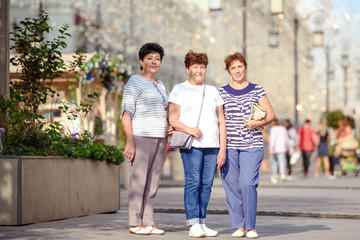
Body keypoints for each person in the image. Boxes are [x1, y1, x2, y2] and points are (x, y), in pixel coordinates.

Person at [168, 50, 226, 238]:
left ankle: (202, 221)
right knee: (194, 182)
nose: (199, 71)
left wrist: (222, 148)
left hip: (212, 144)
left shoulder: (213, 91)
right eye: (195, 67)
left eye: (202, 67)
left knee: (207, 184)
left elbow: (221, 121)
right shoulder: (179, 89)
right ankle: (193, 223)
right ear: (188, 68)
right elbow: (173, 119)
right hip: (192, 144)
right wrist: (191, 130)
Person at [218, 52, 275, 239]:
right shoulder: (221, 92)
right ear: (228, 71)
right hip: (229, 147)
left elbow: (270, 115)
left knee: (248, 183)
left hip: (252, 144)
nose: (237, 70)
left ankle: (250, 226)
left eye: (240, 66)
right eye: (233, 67)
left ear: (245, 67)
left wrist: (256, 124)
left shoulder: (257, 89)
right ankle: (238, 225)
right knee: (232, 186)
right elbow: (218, 121)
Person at [121, 43, 171, 235]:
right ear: (141, 61)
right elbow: (126, 113)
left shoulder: (161, 84)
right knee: (139, 181)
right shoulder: (134, 81)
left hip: (160, 139)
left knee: (153, 182)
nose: (153, 62)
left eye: (157, 59)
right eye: (149, 58)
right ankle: (135, 223)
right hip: (141, 137)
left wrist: (170, 125)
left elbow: (164, 110)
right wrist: (130, 141)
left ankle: (148, 222)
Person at [269, 119, 289, 183]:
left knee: (275, 162)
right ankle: (282, 174)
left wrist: (271, 148)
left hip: (275, 148)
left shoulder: (273, 129)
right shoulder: (283, 128)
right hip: (282, 148)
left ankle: (274, 175)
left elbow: (272, 140)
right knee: (282, 161)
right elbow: (286, 138)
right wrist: (287, 146)